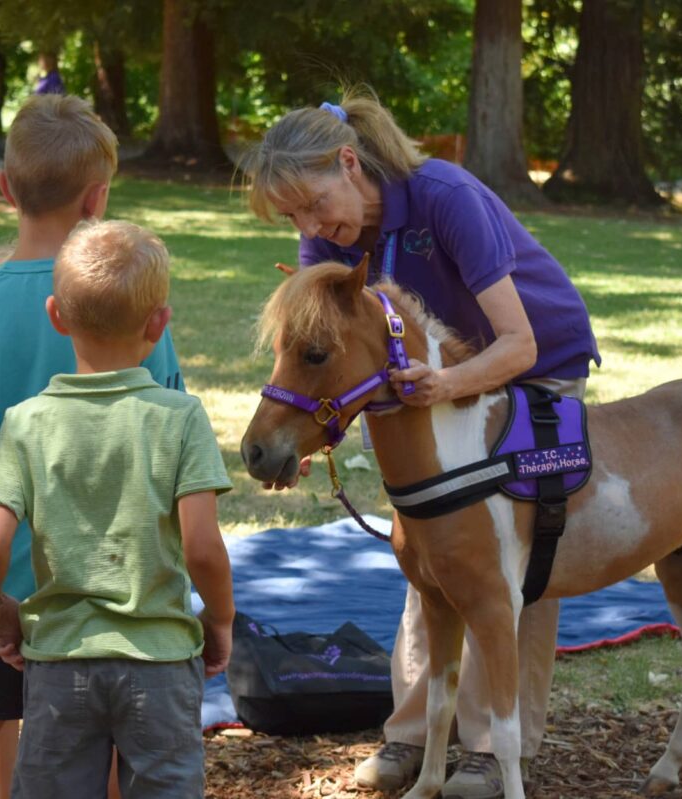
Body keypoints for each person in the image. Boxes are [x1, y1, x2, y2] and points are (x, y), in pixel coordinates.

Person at [241, 87, 600, 799]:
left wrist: (449, 382)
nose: (311, 227)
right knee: (428, 546)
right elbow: (332, 353)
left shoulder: (443, 194)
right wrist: (306, 432)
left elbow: (519, 341)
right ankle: (413, 735)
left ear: (350, 162)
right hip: (432, 375)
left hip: (531, 362)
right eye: (294, 217)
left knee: (510, 554)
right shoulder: (328, 242)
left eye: (315, 204)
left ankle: (498, 746)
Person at [0, 94, 185, 799]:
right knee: (97, 740)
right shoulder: (138, 313)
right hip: (100, 581)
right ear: (97, 199)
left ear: (6, 188)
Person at [0, 220, 234, 798]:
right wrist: (219, 618)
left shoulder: (27, 422)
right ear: (159, 323)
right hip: (160, 663)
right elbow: (203, 548)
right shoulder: (181, 418)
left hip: (61, 661)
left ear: (56, 315)